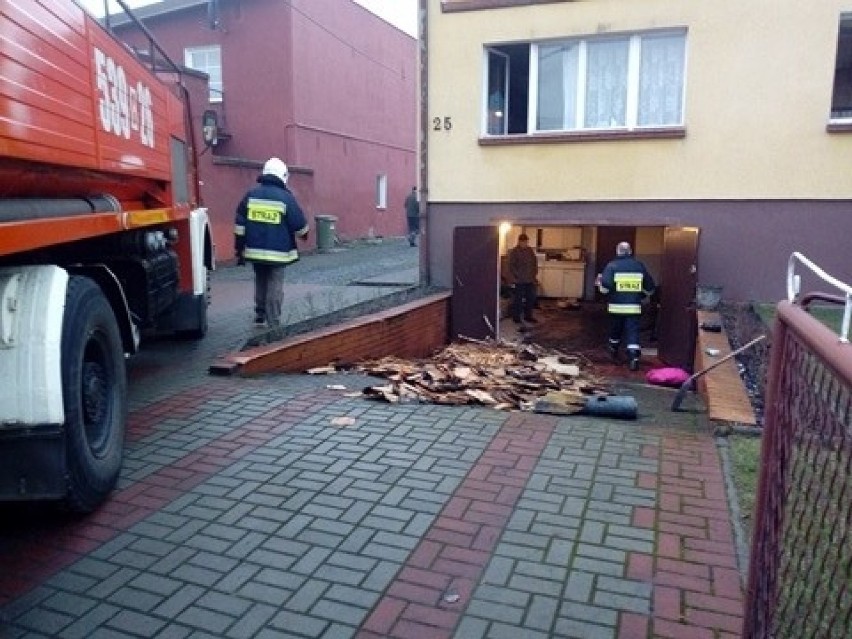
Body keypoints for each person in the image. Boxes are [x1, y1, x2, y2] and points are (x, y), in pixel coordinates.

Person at [234, 157, 309, 327]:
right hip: (278, 252)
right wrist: (304, 234)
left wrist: (239, 248)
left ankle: (259, 315)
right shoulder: (286, 198)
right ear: (283, 176)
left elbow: (239, 223)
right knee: (275, 284)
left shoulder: (251, 195)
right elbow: (299, 225)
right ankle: (273, 321)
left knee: (260, 279)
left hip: (254, 250)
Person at [596, 241, 656, 371]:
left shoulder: (612, 266)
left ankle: (613, 349)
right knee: (632, 332)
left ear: (617, 252)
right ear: (630, 252)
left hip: (615, 307)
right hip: (633, 307)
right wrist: (640, 295)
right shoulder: (639, 266)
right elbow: (650, 289)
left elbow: (604, 289)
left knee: (615, 330)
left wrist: (599, 283)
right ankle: (633, 357)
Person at [507, 233, 539, 325]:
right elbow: (511, 265)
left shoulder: (530, 251)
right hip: (519, 281)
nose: (525, 243)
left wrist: (535, 274)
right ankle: (516, 317)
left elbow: (534, 262)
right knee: (518, 299)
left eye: (526, 242)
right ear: (519, 242)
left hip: (530, 280)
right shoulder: (514, 252)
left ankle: (528, 316)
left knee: (531, 298)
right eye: (524, 242)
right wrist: (517, 276)